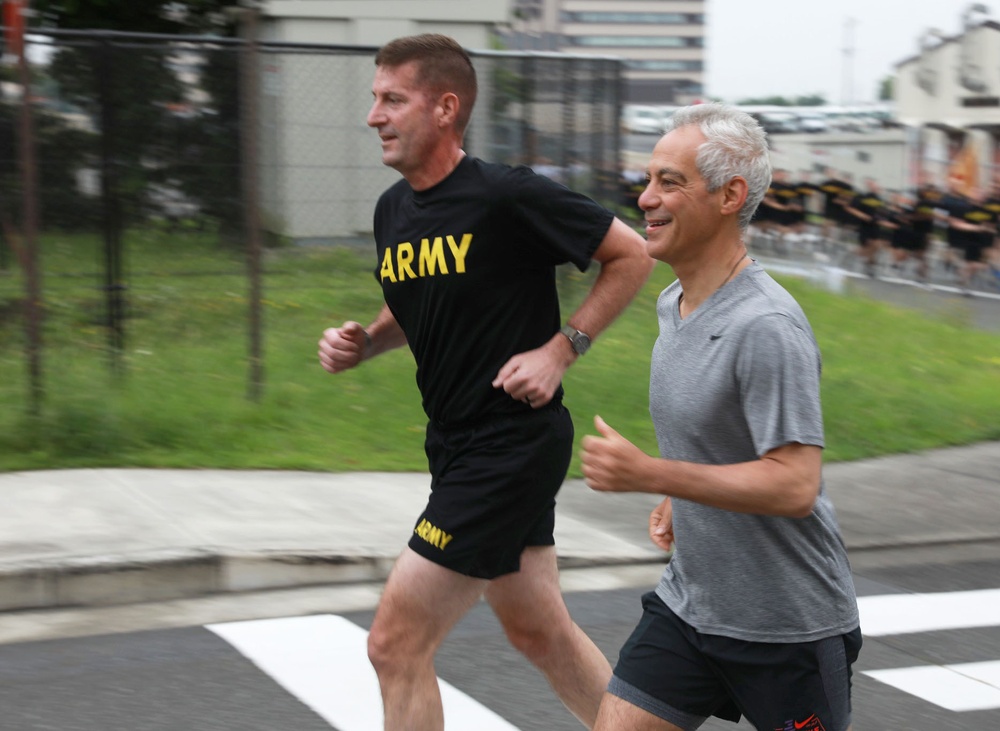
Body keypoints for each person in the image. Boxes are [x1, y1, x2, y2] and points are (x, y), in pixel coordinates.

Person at [317, 34, 654, 730]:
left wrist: (563, 348)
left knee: (394, 643)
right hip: (456, 446)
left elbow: (630, 254)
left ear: (445, 108)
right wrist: (365, 343)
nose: (374, 116)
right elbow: (420, 300)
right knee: (539, 630)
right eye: (374, 99)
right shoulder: (394, 211)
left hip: (508, 446)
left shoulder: (505, 196)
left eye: (392, 99)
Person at [580, 103, 861, 731]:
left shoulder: (766, 326)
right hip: (691, 606)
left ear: (731, 195)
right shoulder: (673, 302)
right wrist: (680, 498)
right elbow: (719, 435)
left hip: (786, 625)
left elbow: (794, 484)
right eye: (648, 180)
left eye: (670, 182)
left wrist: (657, 474)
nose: (646, 198)